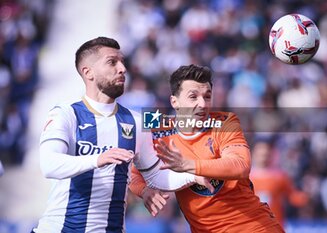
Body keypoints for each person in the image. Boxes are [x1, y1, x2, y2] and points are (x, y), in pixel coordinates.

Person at [32, 37, 212, 233]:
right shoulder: (65, 113)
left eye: (122, 61)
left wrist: (192, 175)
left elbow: (155, 175)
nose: (122, 68)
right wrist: (98, 159)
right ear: (88, 72)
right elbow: (49, 165)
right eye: (112, 62)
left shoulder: (136, 121)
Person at [129, 64, 285, 232]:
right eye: (193, 97)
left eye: (207, 96)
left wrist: (189, 166)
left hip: (252, 227)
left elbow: (241, 165)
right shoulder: (158, 128)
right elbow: (134, 173)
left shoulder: (225, 122)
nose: (202, 104)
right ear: (174, 102)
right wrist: (144, 191)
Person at [250, 139, 309, 226]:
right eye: (260, 154)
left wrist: (305, 196)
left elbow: (292, 196)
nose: (263, 157)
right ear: (253, 154)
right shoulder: (244, 177)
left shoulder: (280, 176)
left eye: (266, 154)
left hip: (274, 224)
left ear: (271, 155)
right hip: (252, 225)